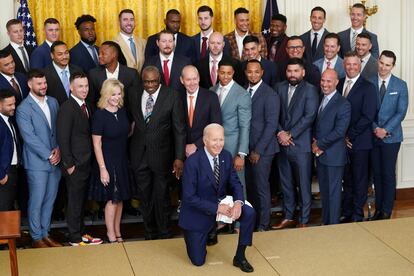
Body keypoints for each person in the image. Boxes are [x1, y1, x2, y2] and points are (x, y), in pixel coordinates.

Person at [179, 123, 256, 272]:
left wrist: (239, 203)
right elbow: (189, 197)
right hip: (198, 211)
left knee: (249, 213)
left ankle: (240, 257)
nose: (219, 144)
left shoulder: (226, 156)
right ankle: (208, 230)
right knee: (198, 261)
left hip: (221, 204)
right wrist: (217, 208)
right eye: (215, 140)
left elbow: (235, 183)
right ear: (205, 140)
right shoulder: (192, 162)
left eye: (221, 139)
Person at [128, 66, 185, 240]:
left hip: (162, 156)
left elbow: (179, 130)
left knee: (161, 196)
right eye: (146, 81)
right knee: (144, 197)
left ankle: (164, 231)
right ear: (142, 80)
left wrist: (179, 157)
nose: (150, 85)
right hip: (139, 155)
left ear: (159, 79)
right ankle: (149, 232)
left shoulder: (172, 95)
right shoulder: (133, 93)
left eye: (153, 81)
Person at [16, 69, 62, 248]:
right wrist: (49, 154)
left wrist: (58, 149)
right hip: (37, 163)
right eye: (39, 83)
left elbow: (57, 130)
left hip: (55, 160)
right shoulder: (23, 108)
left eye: (45, 83)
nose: (43, 86)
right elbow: (29, 137)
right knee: (37, 200)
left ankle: (45, 233)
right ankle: (36, 237)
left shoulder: (53, 102)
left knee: (50, 199)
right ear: (30, 85)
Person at [272, 58, 319, 229]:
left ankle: (304, 219)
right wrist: (280, 132)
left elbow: (309, 116)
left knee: (303, 184)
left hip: (301, 146)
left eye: (296, 71)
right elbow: (273, 113)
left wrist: (290, 134)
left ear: (303, 72)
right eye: (289, 71)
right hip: (281, 143)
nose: (292, 74)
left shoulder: (311, 90)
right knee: (286, 183)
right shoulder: (279, 87)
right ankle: (288, 216)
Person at [57, 72, 102, 246]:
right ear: (71, 87)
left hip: (86, 162)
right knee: (74, 202)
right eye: (80, 86)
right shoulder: (67, 108)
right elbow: (63, 138)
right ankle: (74, 237)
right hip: (75, 165)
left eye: (86, 86)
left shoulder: (88, 105)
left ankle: (81, 232)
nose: (84, 89)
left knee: (81, 201)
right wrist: (69, 165)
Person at [89, 79, 131, 243]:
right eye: (113, 94)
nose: (116, 97)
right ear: (106, 94)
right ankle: (110, 234)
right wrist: (102, 168)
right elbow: (96, 144)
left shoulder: (122, 111)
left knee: (119, 199)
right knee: (112, 200)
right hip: (107, 161)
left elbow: (127, 131)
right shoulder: (99, 115)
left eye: (119, 94)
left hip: (122, 160)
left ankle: (117, 231)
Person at [338, 51, 377, 223]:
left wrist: (349, 135)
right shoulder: (338, 84)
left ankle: (356, 214)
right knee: (346, 179)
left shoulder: (368, 86)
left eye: (355, 64)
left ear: (360, 65)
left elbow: (368, 116)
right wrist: (342, 137)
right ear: (343, 65)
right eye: (348, 64)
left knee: (360, 180)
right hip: (341, 143)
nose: (351, 67)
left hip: (360, 143)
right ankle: (346, 212)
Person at [369, 50, 409, 220]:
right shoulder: (369, 82)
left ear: (393, 66)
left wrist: (385, 130)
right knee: (376, 174)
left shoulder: (400, 85)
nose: (383, 67)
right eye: (382, 63)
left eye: (388, 65)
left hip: (391, 137)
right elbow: (366, 110)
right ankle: (378, 210)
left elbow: (401, 112)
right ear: (378, 61)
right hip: (372, 134)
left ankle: (386, 210)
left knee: (387, 173)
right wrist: (375, 128)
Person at [244, 60, 279, 231]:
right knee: (250, 188)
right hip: (247, 149)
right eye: (250, 72)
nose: (253, 75)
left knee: (261, 188)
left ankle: (263, 225)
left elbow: (271, 125)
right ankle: (252, 221)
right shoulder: (244, 90)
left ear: (262, 72)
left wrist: (257, 150)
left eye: (256, 72)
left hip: (263, 150)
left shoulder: (269, 94)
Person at [312, 69, 351, 225]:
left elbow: (340, 131)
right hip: (321, 155)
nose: (325, 84)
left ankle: (333, 225)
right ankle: (325, 222)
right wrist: (315, 143)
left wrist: (319, 144)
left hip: (334, 156)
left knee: (334, 193)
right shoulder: (321, 98)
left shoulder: (343, 103)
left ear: (336, 82)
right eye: (323, 80)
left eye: (329, 81)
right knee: (325, 192)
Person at [211, 59, 251, 196]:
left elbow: (245, 126)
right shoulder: (212, 90)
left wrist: (241, 154)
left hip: (233, 149)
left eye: (229, 73)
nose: (225, 76)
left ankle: (241, 216)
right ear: (217, 72)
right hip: (214, 148)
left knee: (237, 185)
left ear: (233, 73)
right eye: (222, 73)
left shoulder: (242, 94)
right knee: (217, 184)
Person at [180, 65, 222, 157]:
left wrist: (196, 145)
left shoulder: (211, 97)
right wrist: (183, 146)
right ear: (182, 80)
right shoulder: (177, 98)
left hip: (205, 150)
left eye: (194, 79)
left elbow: (215, 125)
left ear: (199, 78)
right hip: (182, 151)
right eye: (188, 79)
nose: (192, 83)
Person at [87, 41, 140, 107]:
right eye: (99, 53)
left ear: (114, 55)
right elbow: (91, 100)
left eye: (103, 54)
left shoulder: (132, 74)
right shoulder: (93, 74)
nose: (99, 56)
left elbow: (136, 101)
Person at [43, 41, 83, 105]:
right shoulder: (44, 74)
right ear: (52, 55)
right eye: (60, 54)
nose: (64, 57)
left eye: (66, 53)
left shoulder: (78, 70)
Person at [0, 89, 19, 211]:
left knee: (8, 208)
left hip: (12, 171)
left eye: (14, 103)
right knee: (3, 209)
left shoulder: (8, 120)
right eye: (9, 105)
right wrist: (1, 175)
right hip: (4, 173)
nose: (13, 107)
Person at [113, 9, 146, 74]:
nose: (129, 23)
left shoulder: (143, 42)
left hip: (141, 82)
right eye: (125, 20)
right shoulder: (113, 44)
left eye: (131, 19)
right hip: (123, 83)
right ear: (119, 22)